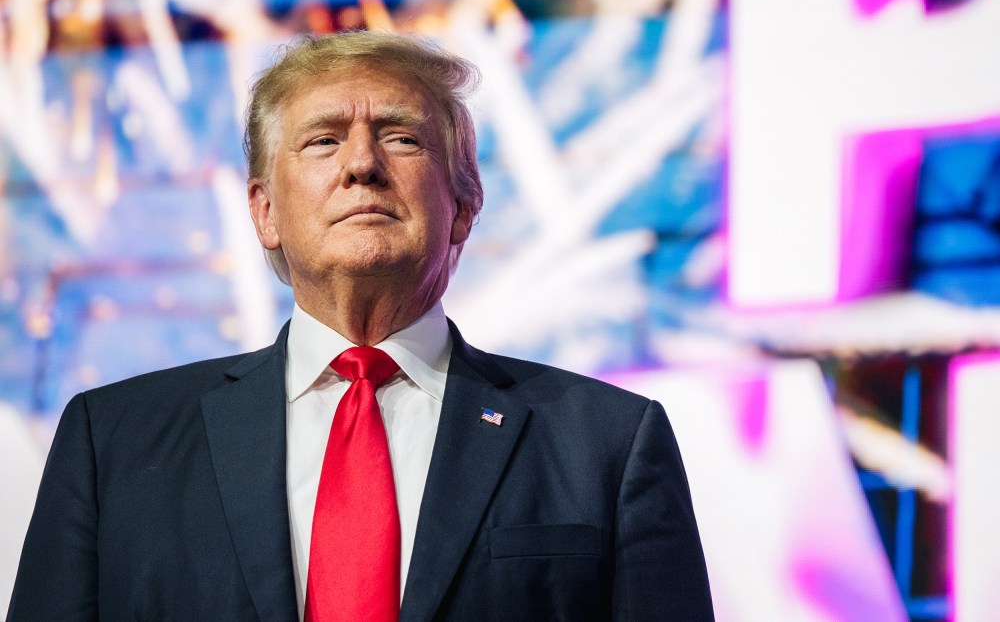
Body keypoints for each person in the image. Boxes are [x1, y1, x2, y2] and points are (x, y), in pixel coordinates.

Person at [8, 31, 713, 621]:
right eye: (321, 141)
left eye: (401, 137)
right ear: (264, 212)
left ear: (464, 205)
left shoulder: (608, 445)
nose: (362, 165)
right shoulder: (114, 444)